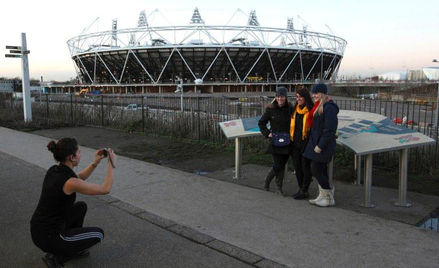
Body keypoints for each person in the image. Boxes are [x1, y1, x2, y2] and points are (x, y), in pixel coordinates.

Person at [30, 138, 117, 268]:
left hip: (38, 230)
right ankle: (56, 257)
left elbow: (79, 178)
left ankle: (72, 249)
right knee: (98, 234)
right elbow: (106, 189)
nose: (80, 155)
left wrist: (95, 162)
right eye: (79, 152)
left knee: (80, 207)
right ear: (72, 157)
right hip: (50, 237)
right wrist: (112, 164)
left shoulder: (54, 170)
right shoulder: (69, 182)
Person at [303, 83, 339, 207]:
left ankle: (328, 197)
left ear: (323, 94)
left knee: (316, 169)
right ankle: (322, 195)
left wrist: (320, 146)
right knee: (321, 170)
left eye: (316, 93)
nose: (314, 95)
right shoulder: (319, 106)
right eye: (313, 93)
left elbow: (329, 130)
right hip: (317, 144)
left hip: (323, 146)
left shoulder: (329, 108)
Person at [258, 87, 292, 196]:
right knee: (278, 165)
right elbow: (261, 123)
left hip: (287, 142)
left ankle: (278, 188)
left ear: (285, 97)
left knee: (281, 165)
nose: (280, 99)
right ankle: (267, 181)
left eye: (282, 96)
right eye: (278, 97)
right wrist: (267, 133)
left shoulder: (291, 109)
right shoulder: (270, 109)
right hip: (276, 142)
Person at [290, 88, 314, 199]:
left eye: (300, 97)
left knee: (306, 167)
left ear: (306, 97)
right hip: (295, 144)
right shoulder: (295, 110)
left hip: (306, 144)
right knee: (298, 168)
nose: (298, 99)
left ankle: (305, 190)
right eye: (297, 97)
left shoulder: (311, 111)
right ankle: (301, 189)